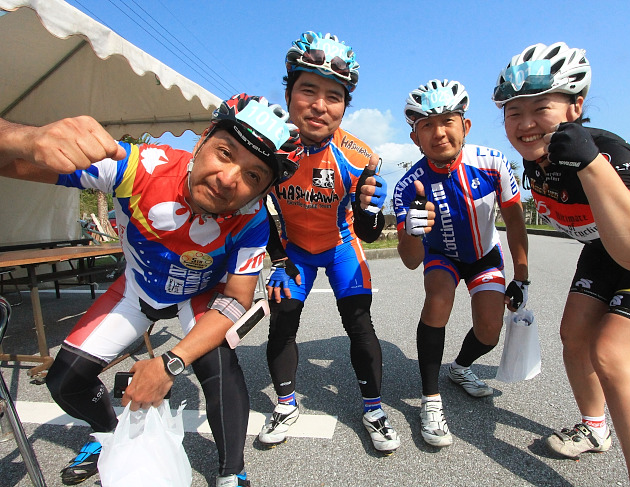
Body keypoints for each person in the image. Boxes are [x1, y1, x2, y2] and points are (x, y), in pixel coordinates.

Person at [0, 93, 304, 487]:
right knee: (63, 380)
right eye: (225, 153)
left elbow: (237, 299)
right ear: (202, 140)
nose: (229, 180)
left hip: (197, 297)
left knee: (221, 371)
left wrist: (169, 364)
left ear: (262, 191)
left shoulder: (253, 219)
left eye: (253, 176)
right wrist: (26, 138)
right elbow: (15, 162)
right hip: (136, 287)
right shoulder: (138, 166)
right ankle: (109, 437)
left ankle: (232, 471)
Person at [492, 42, 630, 486]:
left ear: (575, 107)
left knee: (613, 357)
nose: (525, 123)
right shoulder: (535, 160)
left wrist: (592, 165)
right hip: (606, 242)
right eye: (513, 111)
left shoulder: (606, 151)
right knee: (574, 335)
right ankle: (595, 429)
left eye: (541, 107)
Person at [258, 31, 400, 454]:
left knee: (359, 324)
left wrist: (371, 208)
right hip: (294, 248)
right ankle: (285, 405)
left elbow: (371, 234)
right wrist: (278, 258)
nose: (320, 105)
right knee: (282, 320)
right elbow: (259, 211)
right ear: (288, 94)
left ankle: (373, 409)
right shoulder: (268, 146)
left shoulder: (359, 156)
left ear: (344, 105)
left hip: (340, 245)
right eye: (308, 90)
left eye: (333, 96)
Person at [392, 79, 529, 447]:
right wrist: (412, 230)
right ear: (415, 138)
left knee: (489, 332)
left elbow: (515, 220)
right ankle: (430, 400)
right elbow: (409, 261)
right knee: (437, 300)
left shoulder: (492, 162)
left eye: (447, 121)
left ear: (465, 126)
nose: (439, 133)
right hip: (441, 257)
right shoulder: (408, 185)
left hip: (485, 255)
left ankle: (461, 368)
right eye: (426, 126)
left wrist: (523, 276)